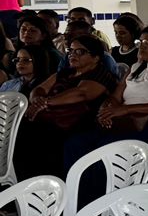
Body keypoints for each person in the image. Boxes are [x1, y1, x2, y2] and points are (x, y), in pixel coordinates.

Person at [68, 23, 148, 160]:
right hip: (129, 121)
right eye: (140, 42)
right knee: (76, 143)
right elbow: (115, 97)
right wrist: (106, 110)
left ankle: (107, 182)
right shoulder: (136, 68)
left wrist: (126, 109)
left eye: (147, 43)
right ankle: (79, 181)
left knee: (106, 148)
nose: (141, 46)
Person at [15, 34, 119, 179]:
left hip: (80, 122)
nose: (72, 55)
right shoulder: (66, 72)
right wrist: (38, 100)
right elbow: (39, 89)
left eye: (80, 52)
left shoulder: (101, 74)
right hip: (51, 118)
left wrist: (44, 103)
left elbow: (81, 94)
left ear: (95, 57)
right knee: (18, 130)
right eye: (70, 51)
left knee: (34, 135)